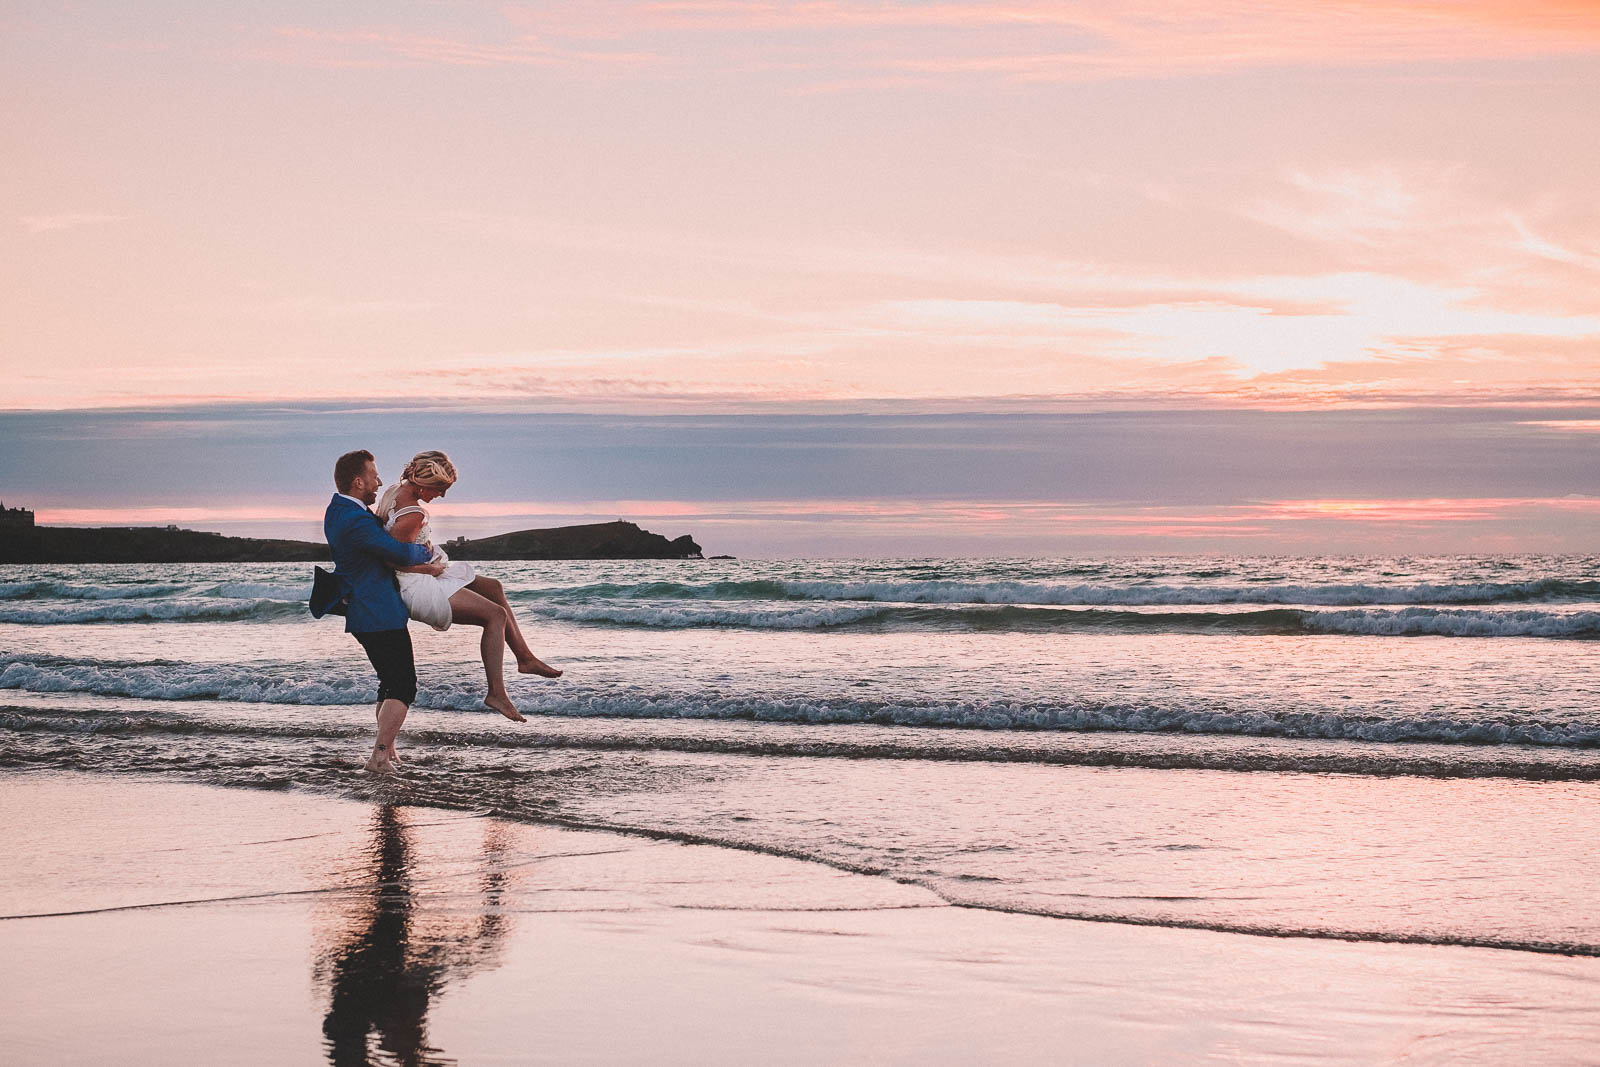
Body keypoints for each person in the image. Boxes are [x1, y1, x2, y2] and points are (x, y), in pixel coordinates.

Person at [374, 450, 562, 724]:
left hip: (423, 573)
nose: (441, 495)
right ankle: (496, 693)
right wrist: (428, 568)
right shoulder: (413, 513)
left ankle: (525, 658)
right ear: (424, 483)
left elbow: (396, 547)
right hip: (416, 585)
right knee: (495, 615)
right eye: (440, 489)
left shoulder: (394, 491)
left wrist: (427, 558)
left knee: (493, 587)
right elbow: (389, 560)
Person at [311, 449, 443, 774]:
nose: (379, 482)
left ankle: (387, 750)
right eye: (374, 476)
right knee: (403, 685)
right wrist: (425, 551)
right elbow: (397, 552)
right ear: (358, 482)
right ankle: (379, 757)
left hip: (367, 609)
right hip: (375, 609)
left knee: (388, 682)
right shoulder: (353, 518)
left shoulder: (342, 510)